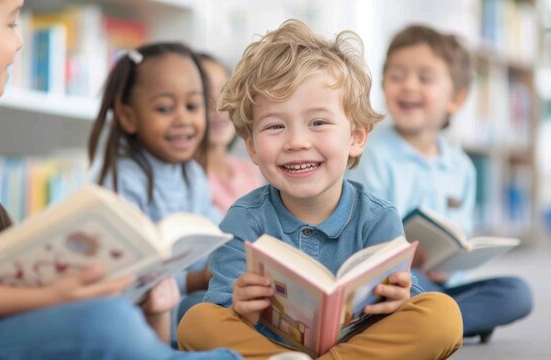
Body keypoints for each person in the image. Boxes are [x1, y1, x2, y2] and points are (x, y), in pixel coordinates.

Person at [0, 1, 238, 359]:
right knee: (104, 319)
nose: (19, 42)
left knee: (114, 315)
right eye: (11, 23)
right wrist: (48, 297)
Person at [177, 19, 463, 359]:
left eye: (318, 122)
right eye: (275, 126)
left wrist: (399, 297)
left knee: (443, 316)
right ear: (251, 146)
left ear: (356, 137)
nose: (297, 142)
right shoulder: (242, 219)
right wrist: (242, 307)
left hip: (356, 342)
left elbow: (402, 295)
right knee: (196, 321)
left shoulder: (378, 216)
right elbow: (222, 307)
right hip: (271, 345)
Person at [347, 24, 533, 343]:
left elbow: (459, 237)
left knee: (517, 293)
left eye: (425, 77)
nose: (408, 86)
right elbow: (360, 235)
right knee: (374, 296)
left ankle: (434, 324)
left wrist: (449, 265)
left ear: (456, 99)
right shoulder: (372, 152)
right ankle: (440, 325)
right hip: (392, 283)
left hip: (439, 287)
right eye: (397, 76)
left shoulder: (461, 166)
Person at [87, 43, 220, 336]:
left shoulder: (193, 175)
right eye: (164, 108)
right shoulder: (121, 178)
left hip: (180, 312)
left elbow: (214, 231)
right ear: (128, 116)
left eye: (193, 106)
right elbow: (124, 276)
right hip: (131, 318)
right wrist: (195, 280)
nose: (183, 119)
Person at [196, 53, 264, 216]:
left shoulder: (249, 170)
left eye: (224, 91)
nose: (218, 105)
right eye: (203, 95)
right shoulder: (188, 179)